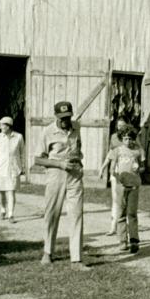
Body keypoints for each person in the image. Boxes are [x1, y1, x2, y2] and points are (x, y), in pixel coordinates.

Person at [35, 100, 88, 270]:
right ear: (56, 116)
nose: (65, 121)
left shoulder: (76, 127)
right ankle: (48, 252)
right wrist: (60, 164)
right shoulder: (48, 131)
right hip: (56, 174)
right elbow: (38, 159)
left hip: (74, 175)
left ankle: (77, 259)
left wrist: (79, 161)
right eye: (62, 118)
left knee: (76, 214)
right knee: (52, 213)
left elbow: (78, 149)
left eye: (68, 117)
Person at [110, 126, 144, 252]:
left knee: (132, 213)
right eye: (125, 138)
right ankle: (122, 240)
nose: (128, 141)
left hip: (134, 185)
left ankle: (134, 241)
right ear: (121, 139)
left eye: (130, 138)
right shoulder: (117, 151)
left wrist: (138, 169)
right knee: (121, 214)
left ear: (134, 139)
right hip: (121, 186)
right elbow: (112, 169)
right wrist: (118, 176)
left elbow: (143, 168)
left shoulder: (137, 151)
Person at [0, 116, 26, 222]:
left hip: (14, 168)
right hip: (0, 168)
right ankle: (3, 210)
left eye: (2, 125)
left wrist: (22, 166)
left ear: (8, 126)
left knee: (11, 191)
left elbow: (23, 153)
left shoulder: (18, 137)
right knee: (2, 192)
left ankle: (11, 215)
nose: (0, 127)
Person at [98, 118, 131, 237]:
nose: (121, 127)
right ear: (116, 126)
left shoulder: (131, 138)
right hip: (116, 172)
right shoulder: (113, 138)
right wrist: (102, 168)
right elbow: (110, 154)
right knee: (116, 200)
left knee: (126, 201)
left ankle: (125, 227)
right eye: (119, 125)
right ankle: (113, 227)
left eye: (123, 125)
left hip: (128, 172)